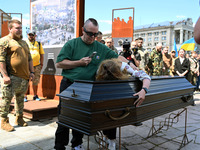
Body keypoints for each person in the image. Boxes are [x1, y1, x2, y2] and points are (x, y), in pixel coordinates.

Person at [54, 18, 139, 150]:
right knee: (65, 117)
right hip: (70, 84)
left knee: (81, 117)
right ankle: (59, 146)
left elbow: (117, 57)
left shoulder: (100, 47)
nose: (92, 37)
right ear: (83, 30)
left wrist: (131, 65)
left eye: (95, 34)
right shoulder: (72, 44)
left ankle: (77, 144)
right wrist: (79, 62)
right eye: (89, 34)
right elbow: (59, 63)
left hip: (87, 87)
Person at [96, 58, 151, 150]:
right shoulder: (100, 69)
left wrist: (144, 90)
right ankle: (105, 136)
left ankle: (112, 140)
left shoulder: (124, 67)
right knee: (104, 113)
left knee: (115, 114)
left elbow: (146, 77)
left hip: (119, 89)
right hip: (104, 90)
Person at [0, 19, 34, 132]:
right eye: (17, 28)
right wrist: (5, 76)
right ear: (10, 29)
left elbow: (29, 58)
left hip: (24, 77)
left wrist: (32, 72)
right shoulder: (4, 41)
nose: (20, 30)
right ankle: (4, 121)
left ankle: (19, 118)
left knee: (20, 99)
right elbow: (1, 59)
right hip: (11, 77)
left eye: (21, 28)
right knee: (6, 99)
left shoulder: (24, 42)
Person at [24, 31, 45, 102]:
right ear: (27, 35)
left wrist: (41, 64)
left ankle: (35, 95)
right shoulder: (24, 43)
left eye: (32, 35)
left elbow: (41, 54)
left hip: (37, 66)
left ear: (35, 35)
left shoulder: (38, 44)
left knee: (35, 81)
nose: (31, 36)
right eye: (29, 35)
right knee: (26, 81)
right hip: (26, 65)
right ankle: (24, 96)